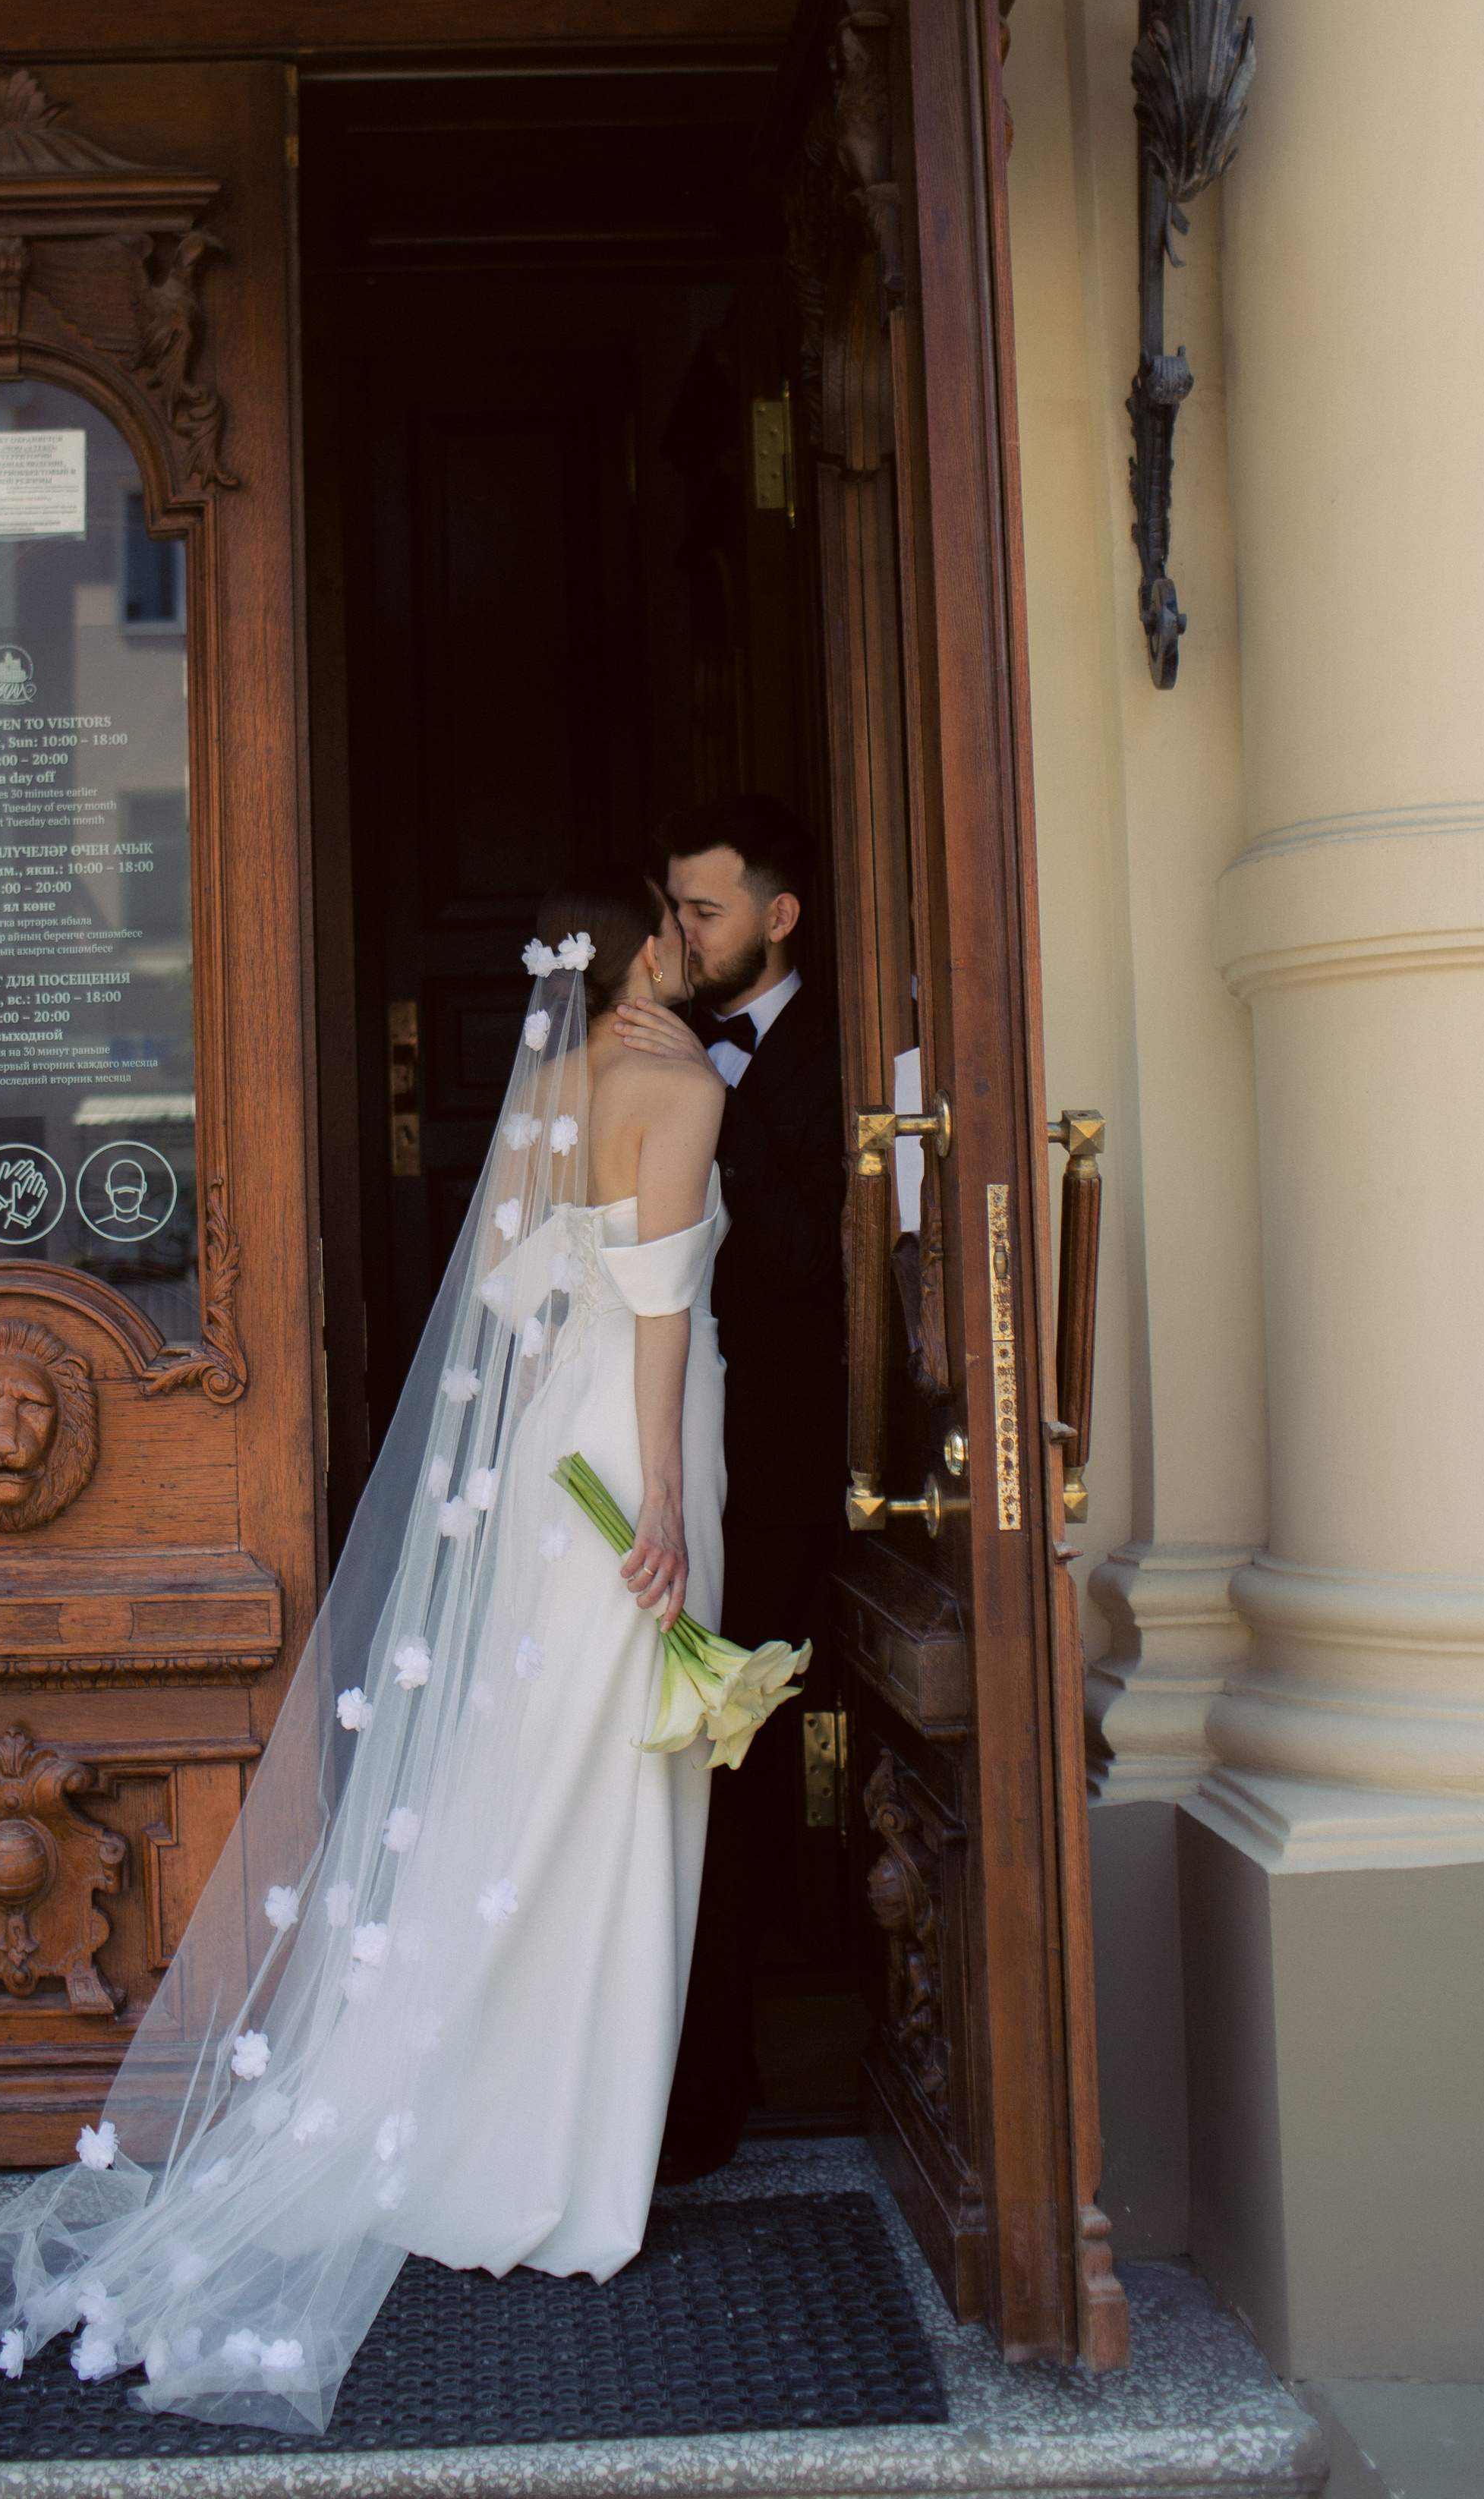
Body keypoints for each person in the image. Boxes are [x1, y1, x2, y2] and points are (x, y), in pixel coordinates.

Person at [0, 867, 730, 2433]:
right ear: (640, 942)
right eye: (675, 920)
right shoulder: (681, 1085)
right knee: (615, 1787)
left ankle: (468, 2123)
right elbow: (657, 1313)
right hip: (628, 1456)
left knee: (526, 1785)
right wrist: (664, 1513)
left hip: (531, 1473)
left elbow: (510, 1291)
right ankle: (563, 2174)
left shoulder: (554, 1089)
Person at [616, 794, 846, 2180]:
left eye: (706, 910)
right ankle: (693, 2085)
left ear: (778, 917)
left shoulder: (828, 1048)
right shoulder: (664, 1053)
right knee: (692, 1762)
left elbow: (803, 1255)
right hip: (687, 1454)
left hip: (781, 1459)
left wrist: (710, 1094)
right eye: (674, 908)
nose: (686, 931)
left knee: (740, 1767)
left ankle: (713, 2087)